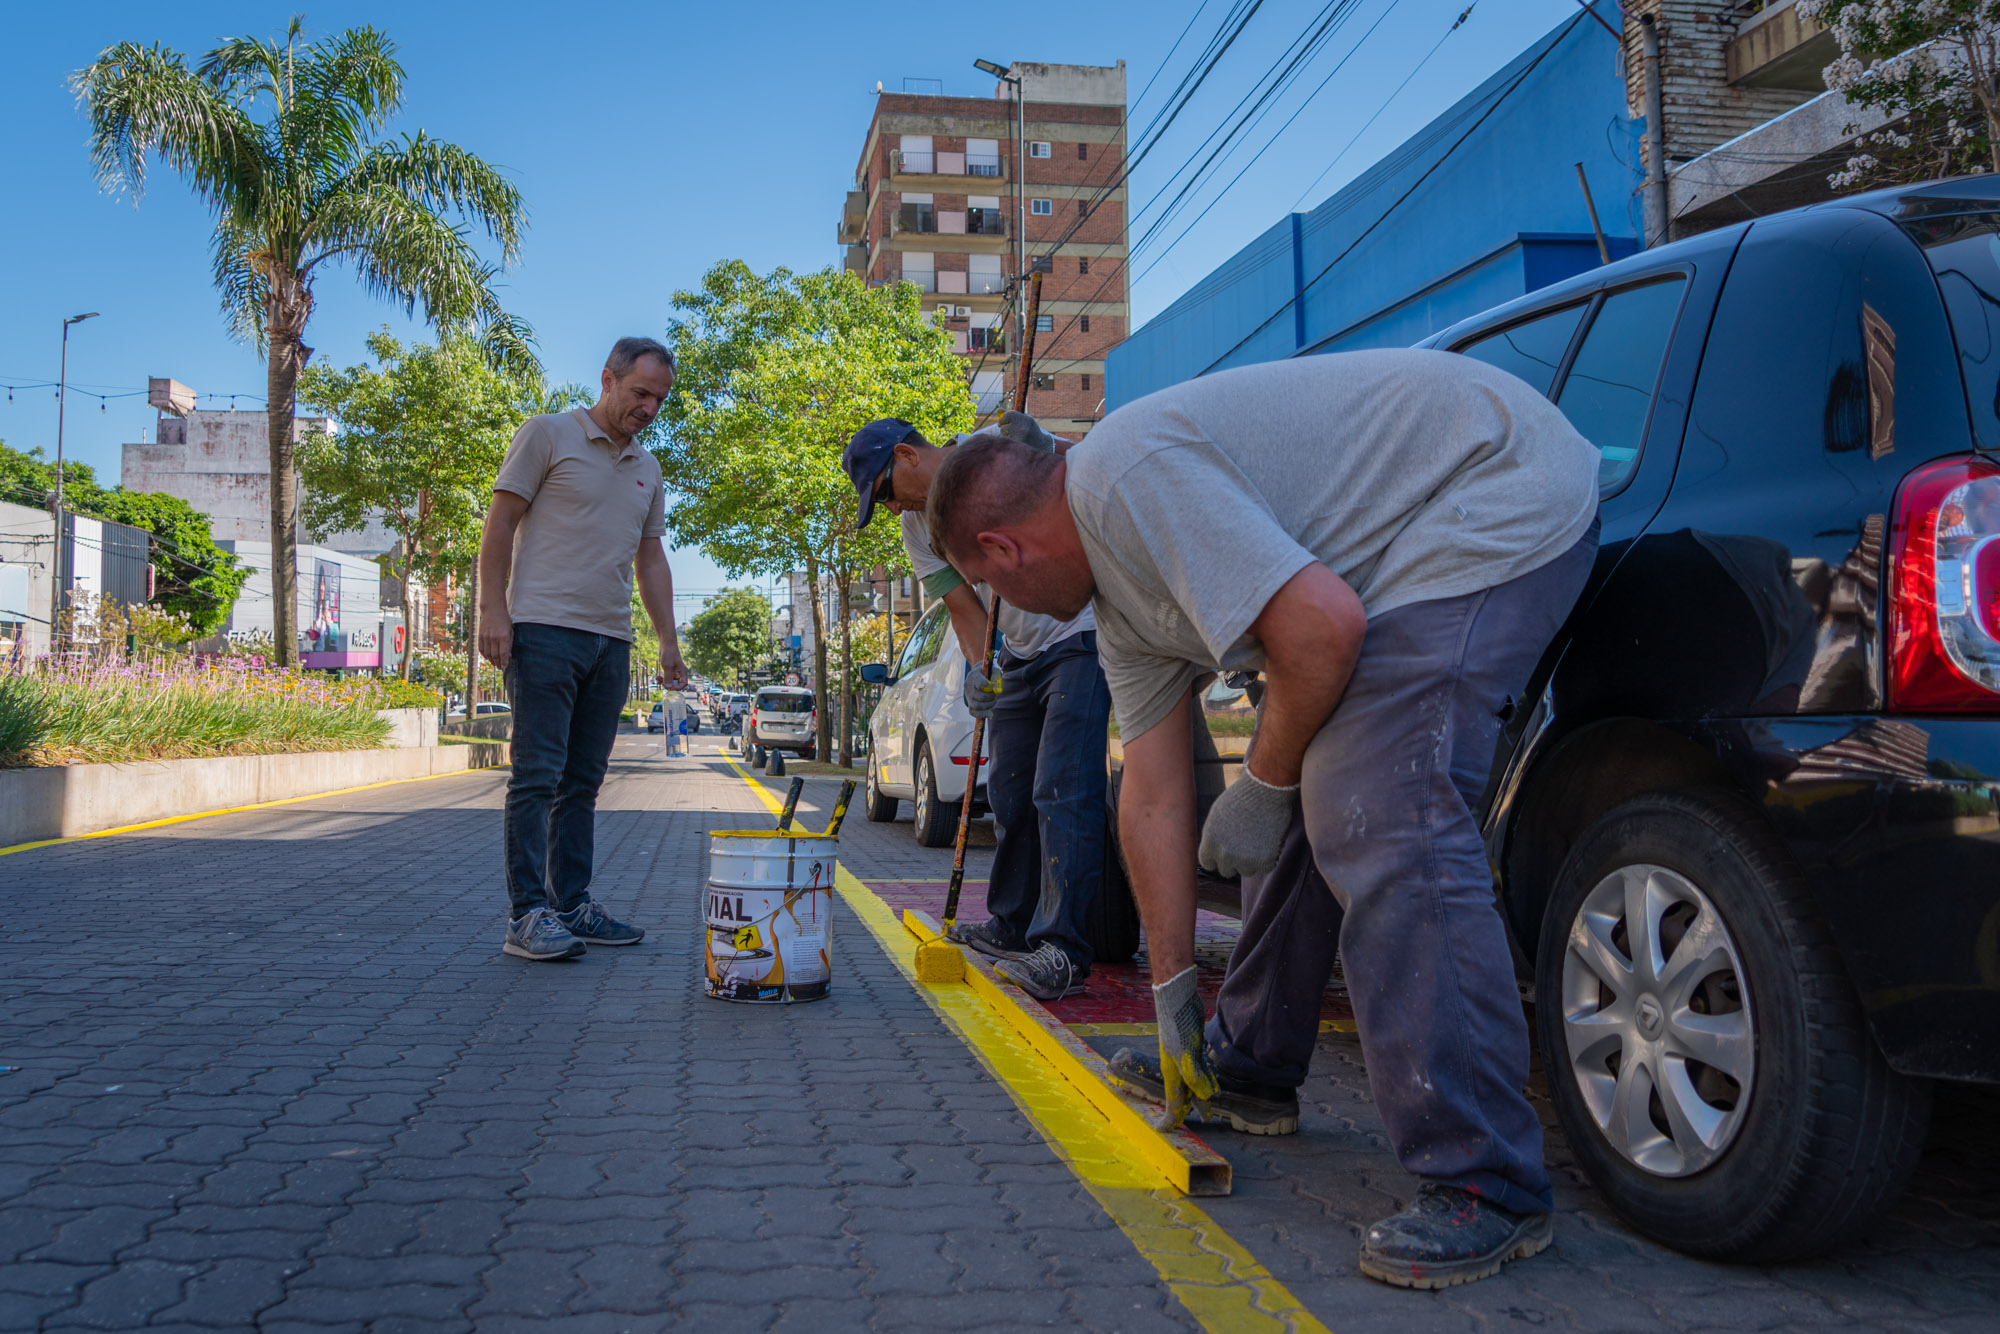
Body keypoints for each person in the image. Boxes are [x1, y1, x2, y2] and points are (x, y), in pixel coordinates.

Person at [924, 348, 1600, 1289]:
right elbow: (1153, 794)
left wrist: (1266, 782)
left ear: (1002, 552)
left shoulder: (1123, 478)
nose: (1004, 608)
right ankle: (1247, 1062)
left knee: (1376, 802)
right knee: (1318, 779)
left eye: (993, 592)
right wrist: (1172, 996)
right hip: (1393, 555)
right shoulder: (1121, 609)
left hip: (1494, 491)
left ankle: (1489, 1179)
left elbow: (1322, 627)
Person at [842, 413, 1111, 1001]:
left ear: (908, 456)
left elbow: (1097, 468)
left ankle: (1063, 950)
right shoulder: (917, 528)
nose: (890, 507)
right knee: (1009, 793)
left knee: (1062, 789)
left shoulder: (996, 447)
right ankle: (1011, 925)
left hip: (1080, 634)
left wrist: (1049, 446)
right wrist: (978, 668)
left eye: (885, 492)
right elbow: (965, 610)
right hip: (1018, 652)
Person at [479, 336, 689, 962]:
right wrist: (492, 610)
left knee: (582, 783)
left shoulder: (648, 469)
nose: (649, 408)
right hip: (542, 631)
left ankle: (571, 905)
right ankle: (527, 915)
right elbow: (500, 524)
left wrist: (667, 640)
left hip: (611, 642)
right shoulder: (547, 434)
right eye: (641, 393)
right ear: (608, 379)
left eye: (660, 399)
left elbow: (651, 560)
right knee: (537, 777)